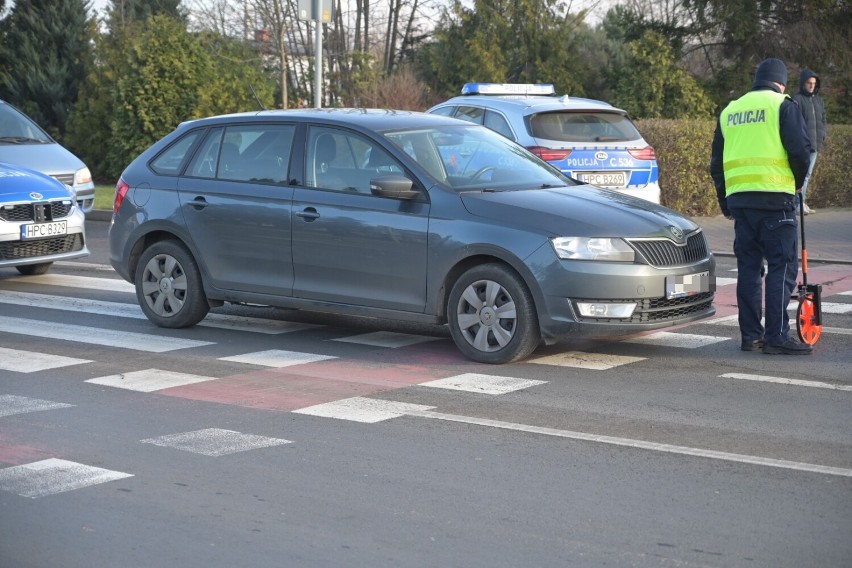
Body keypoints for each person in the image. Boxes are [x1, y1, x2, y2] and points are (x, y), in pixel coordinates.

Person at [710, 58, 813, 355]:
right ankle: (777, 337)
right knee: (782, 266)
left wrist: (725, 202)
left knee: (750, 269)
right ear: (780, 82)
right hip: (775, 201)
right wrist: (796, 184)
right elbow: (801, 151)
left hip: (741, 203)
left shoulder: (730, 111)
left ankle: (751, 337)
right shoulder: (783, 105)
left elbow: (717, 164)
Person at [792, 69, 827, 215]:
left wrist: (823, 135)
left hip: (815, 145)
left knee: (808, 174)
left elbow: (823, 119)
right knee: (802, 175)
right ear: (803, 83)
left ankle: (802, 202)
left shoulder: (819, 100)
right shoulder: (797, 99)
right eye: (809, 83)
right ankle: (797, 203)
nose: (812, 86)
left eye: (814, 83)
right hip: (803, 145)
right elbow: (794, 122)